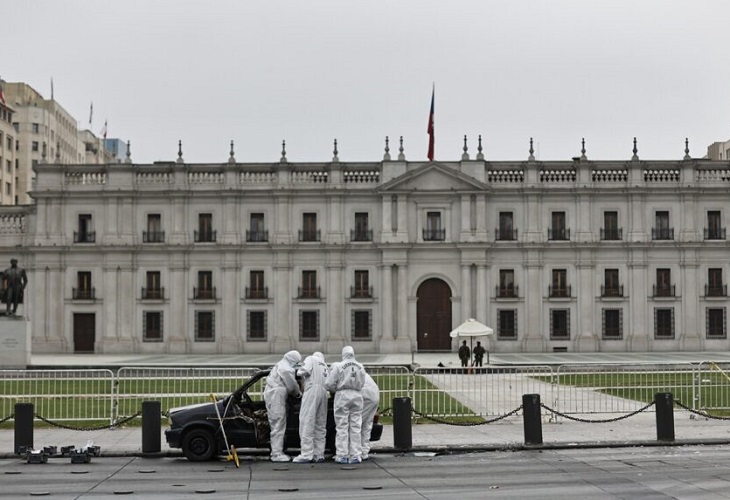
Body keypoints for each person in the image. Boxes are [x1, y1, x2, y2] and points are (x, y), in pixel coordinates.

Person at [325, 346, 366, 464]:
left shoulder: (338, 366)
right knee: (356, 426)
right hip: (357, 395)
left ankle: (342, 454)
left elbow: (329, 383)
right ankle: (356, 455)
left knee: (342, 426)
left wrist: (335, 390)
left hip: (342, 395)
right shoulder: (360, 366)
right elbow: (362, 382)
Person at [263, 350, 302, 462]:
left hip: (273, 396)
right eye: (297, 362)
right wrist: (299, 394)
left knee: (276, 424)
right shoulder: (286, 369)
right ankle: (276, 454)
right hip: (276, 398)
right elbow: (292, 387)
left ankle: (277, 451)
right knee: (278, 425)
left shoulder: (280, 365)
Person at [292, 351, 329, 464]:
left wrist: (299, 372)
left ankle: (306, 454)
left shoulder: (311, 359)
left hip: (312, 390)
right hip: (324, 392)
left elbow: (303, 371)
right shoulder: (325, 365)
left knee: (306, 421)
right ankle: (319, 454)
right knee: (320, 424)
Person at [360, 371, 380, 461]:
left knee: (356, 424)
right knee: (367, 425)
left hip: (366, 395)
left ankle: (355, 452)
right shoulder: (362, 372)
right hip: (374, 395)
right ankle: (364, 452)